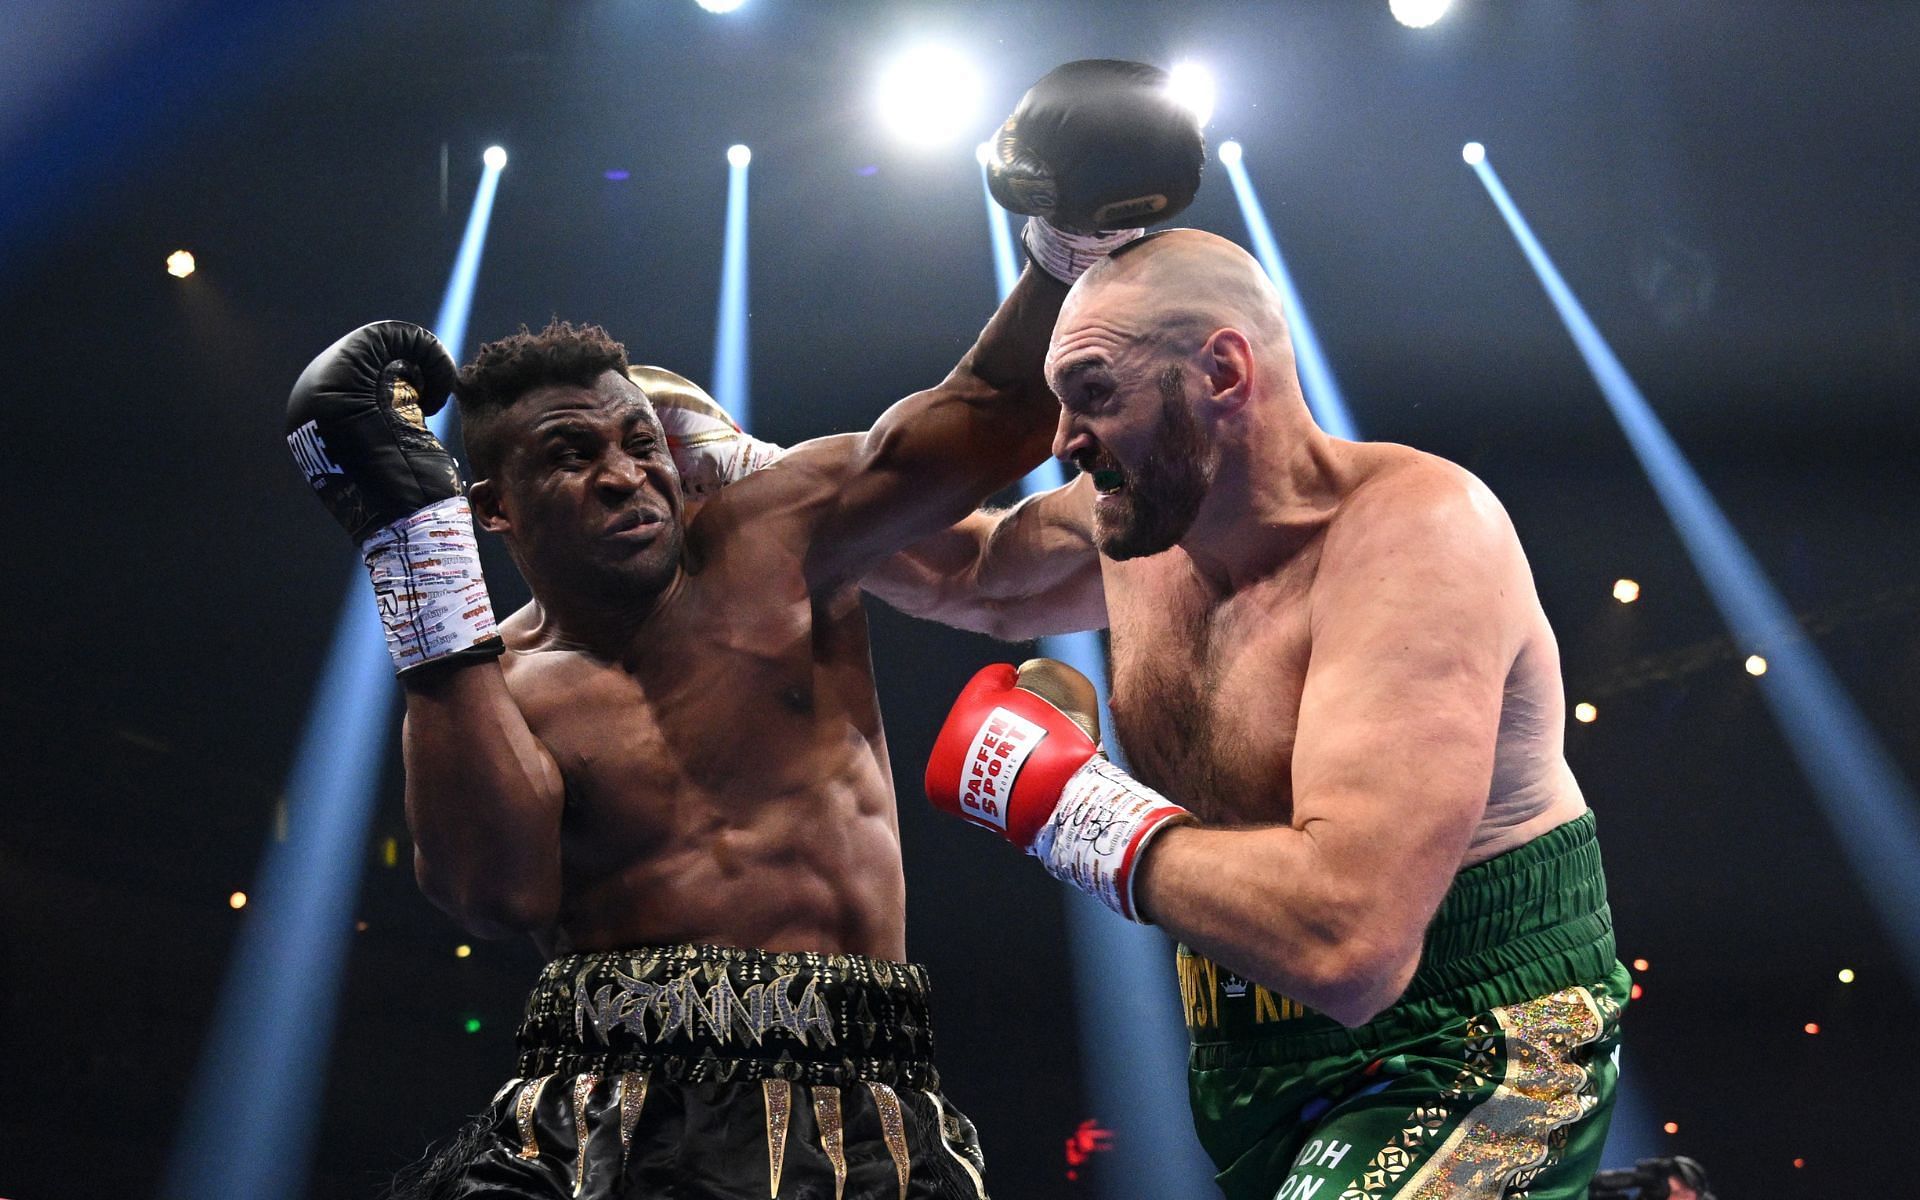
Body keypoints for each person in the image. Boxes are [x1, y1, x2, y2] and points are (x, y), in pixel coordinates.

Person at [281, 60, 1203, 1200]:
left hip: (860, 1098)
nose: (627, 475)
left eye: (636, 441)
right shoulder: (491, 680)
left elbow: (978, 416)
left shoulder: (775, 537)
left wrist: (1063, 246)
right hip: (603, 1121)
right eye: (575, 456)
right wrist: (418, 572)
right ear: (492, 511)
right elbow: (492, 893)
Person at [897, 229, 1629, 1199]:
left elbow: (1348, 940)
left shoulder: (1418, 537)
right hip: (1242, 1051)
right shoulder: (1138, 524)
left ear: (1224, 371)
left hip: (1473, 1035)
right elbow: (966, 572)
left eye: (1095, 393)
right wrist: (741, 487)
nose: (1062, 440)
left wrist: (1068, 809)